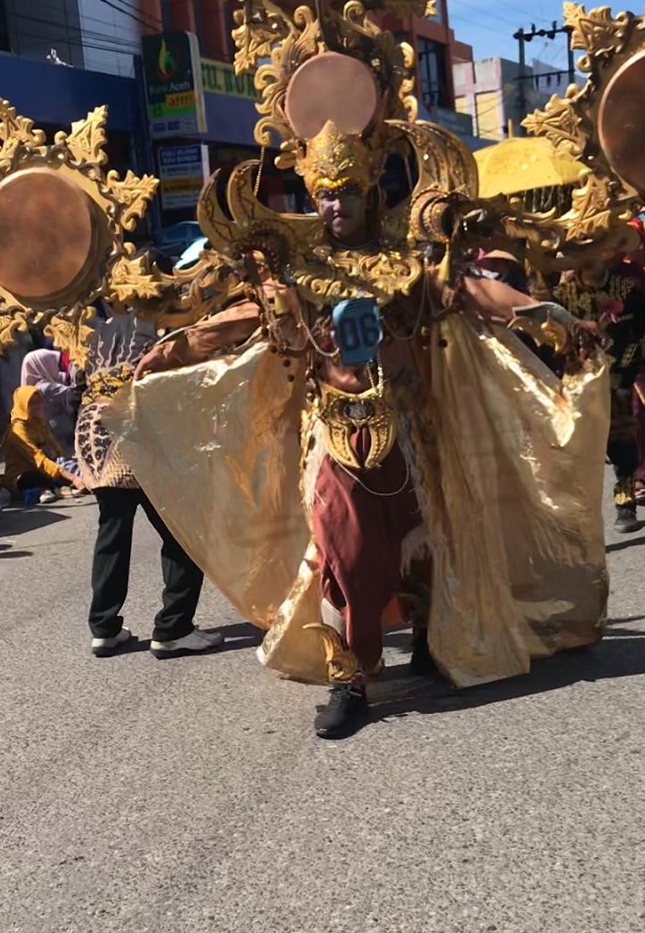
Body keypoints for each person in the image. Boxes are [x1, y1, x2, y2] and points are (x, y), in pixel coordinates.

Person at [123, 122, 609, 741]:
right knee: (345, 553)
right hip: (335, 436)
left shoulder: (406, 258)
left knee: (429, 540)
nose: (334, 204)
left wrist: (552, 316)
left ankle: (438, 642)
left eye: (347, 191)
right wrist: (172, 351)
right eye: (324, 193)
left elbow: (471, 294)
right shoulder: (297, 265)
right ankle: (350, 677)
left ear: (369, 192)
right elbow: (242, 316)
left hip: (414, 433)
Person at [74, 307, 216, 659]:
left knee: (112, 531)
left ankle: (104, 628)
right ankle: (174, 628)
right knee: (182, 531)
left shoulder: (96, 326)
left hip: (93, 430)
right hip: (134, 430)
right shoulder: (161, 320)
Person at [556, 255, 645, 533]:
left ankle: (625, 501)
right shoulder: (561, 293)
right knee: (575, 448)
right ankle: (581, 517)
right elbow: (548, 334)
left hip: (619, 375)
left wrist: (636, 361)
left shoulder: (627, 287)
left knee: (622, 440)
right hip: (575, 380)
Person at [0, 387, 84, 502]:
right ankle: (55, 488)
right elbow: (37, 458)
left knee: (65, 468)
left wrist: (65, 462)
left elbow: (54, 445)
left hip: (43, 468)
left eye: (39, 402)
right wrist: (73, 478)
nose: (37, 406)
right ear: (23, 404)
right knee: (35, 477)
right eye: (32, 403)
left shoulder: (38, 422)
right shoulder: (17, 430)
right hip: (22, 474)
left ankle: (56, 488)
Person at [20, 349, 79, 456]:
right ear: (44, 364)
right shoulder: (47, 389)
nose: (58, 367)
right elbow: (75, 397)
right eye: (54, 363)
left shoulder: (28, 395)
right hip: (64, 446)